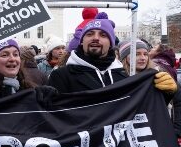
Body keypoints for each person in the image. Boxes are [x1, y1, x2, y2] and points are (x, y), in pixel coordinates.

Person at [48, 15, 177, 95]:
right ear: (82, 42)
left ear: (111, 43)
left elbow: (143, 111)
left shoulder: (125, 75)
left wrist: (165, 94)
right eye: (90, 34)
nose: (96, 38)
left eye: (103, 35)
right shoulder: (61, 76)